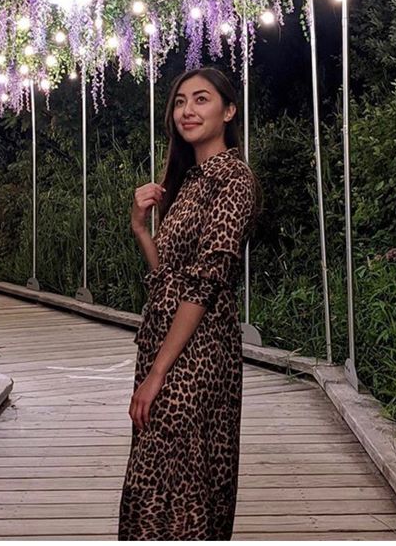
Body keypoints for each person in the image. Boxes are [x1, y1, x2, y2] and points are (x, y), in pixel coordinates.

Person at [118, 67, 260, 540]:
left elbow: (204, 283)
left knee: (176, 481)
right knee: (161, 476)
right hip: (168, 341)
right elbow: (169, 279)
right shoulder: (191, 180)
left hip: (196, 354)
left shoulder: (233, 180)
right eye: (180, 101)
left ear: (229, 111)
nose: (187, 111)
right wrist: (141, 229)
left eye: (201, 100)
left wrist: (159, 374)